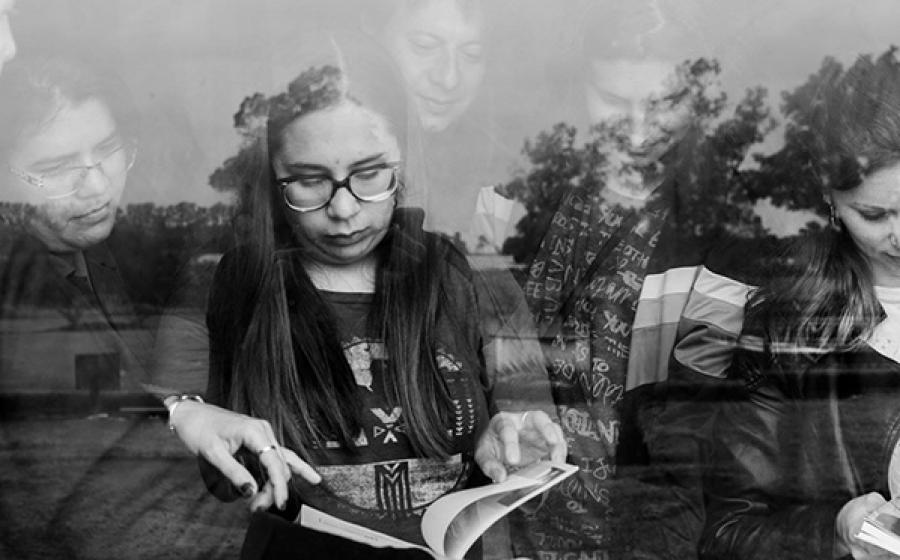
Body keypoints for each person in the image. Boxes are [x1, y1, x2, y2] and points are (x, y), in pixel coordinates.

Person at [183, 64, 565, 558]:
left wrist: (503, 451)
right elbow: (222, 476)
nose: (343, 210)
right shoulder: (247, 282)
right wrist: (194, 420)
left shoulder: (453, 273)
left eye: (368, 174)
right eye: (309, 181)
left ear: (402, 164)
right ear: (274, 179)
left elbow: (521, 445)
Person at [700, 53, 900, 559]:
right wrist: (834, 533)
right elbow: (729, 533)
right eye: (874, 214)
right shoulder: (791, 327)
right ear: (829, 197)